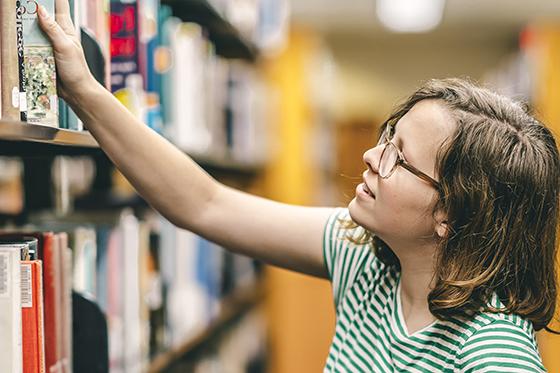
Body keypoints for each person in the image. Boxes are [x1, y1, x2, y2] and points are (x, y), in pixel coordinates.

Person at [37, 1, 558, 371]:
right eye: (387, 138)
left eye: (401, 160)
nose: (371, 158)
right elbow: (204, 204)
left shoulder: (493, 352)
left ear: (452, 213)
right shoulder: (366, 258)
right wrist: (83, 90)